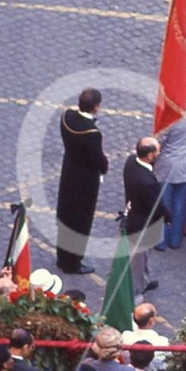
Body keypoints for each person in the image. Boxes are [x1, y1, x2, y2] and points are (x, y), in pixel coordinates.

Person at [56, 88, 107, 275]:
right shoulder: (92, 133)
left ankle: (62, 257)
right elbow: (99, 160)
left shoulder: (67, 116)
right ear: (96, 107)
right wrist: (104, 165)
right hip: (85, 180)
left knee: (66, 216)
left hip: (69, 171)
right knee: (80, 221)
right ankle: (72, 263)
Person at [153, 78, 186, 251]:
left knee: (164, 204)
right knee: (180, 204)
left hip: (167, 164)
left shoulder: (170, 117)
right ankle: (175, 239)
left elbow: (159, 142)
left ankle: (161, 240)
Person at [123, 136, 169, 302]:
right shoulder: (147, 181)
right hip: (142, 226)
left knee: (142, 259)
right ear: (150, 156)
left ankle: (144, 280)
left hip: (134, 215)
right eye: (157, 151)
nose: (159, 153)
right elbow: (155, 206)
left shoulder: (131, 162)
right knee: (139, 260)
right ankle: (136, 293)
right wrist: (168, 217)